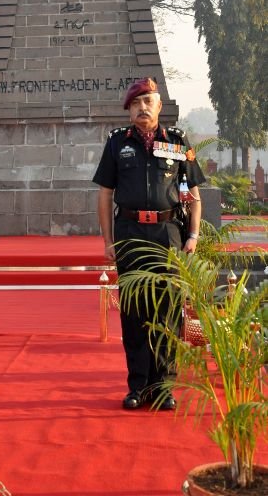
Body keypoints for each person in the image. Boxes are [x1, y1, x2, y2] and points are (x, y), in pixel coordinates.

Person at [92, 77, 205, 411]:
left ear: (159, 106)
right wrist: (108, 240)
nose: (143, 108)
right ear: (129, 110)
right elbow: (104, 194)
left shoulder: (178, 141)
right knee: (134, 311)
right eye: (136, 103)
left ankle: (164, 386)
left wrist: (194, 235)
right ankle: (138, 386)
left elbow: (194, 195)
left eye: (149, 101)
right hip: (129, 233)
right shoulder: (116, 143)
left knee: (168, 310)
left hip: (168, 234)